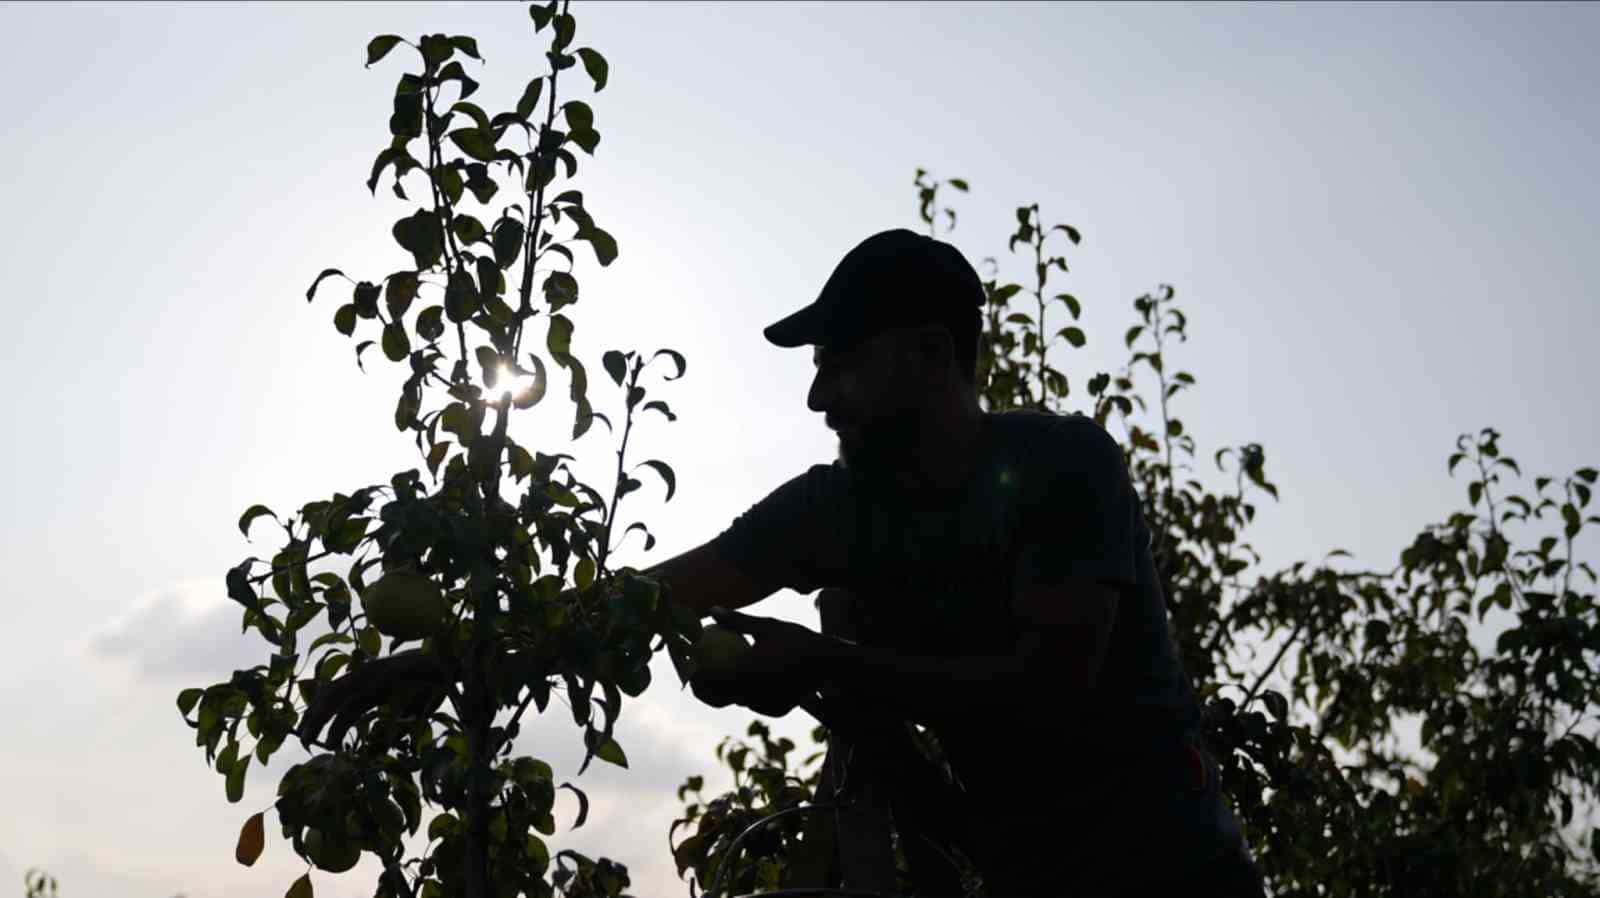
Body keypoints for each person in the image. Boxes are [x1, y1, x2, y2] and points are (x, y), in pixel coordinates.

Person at [302, 229, 1265, 898]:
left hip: (1172, 879)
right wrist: (462, 659)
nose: (816, 394)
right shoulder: (830, 510)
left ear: (931, 356)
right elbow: (641, 602)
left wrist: (821, 669)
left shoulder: (1062, 467)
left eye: (842, 360)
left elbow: (1049, 692)